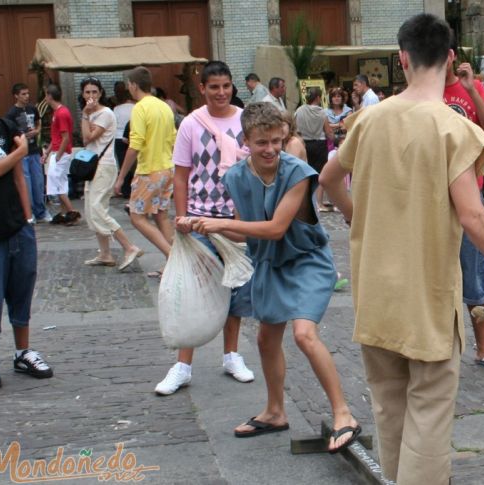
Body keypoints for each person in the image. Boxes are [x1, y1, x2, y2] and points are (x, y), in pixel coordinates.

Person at [319, 14, 484, 484]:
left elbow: (327, 180)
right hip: (426, 298)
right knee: (427, 417)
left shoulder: (369, 118)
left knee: (390, 409)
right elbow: (473, 216)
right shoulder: (452, 129)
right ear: (451, 60)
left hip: (375, 296)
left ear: (401, 59)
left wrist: (358, 217)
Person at [191, 102, 361, 453]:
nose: (270, 149)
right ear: (246, 141)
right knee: (266, 340)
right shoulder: (236, 176)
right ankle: (274, 411)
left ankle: (344, 414)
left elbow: (274, 228)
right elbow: (244, 231)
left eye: (276, 141)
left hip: (306, 261)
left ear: (285, 138)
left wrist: (219, 223)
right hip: (269, 263)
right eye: (261, 142)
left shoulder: (297, 172)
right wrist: (200, 227)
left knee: (303, 334)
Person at [154, 61, 254, 395]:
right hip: (198, 218)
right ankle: (183, 366)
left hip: (235, 219)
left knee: (236, 290)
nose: (221, 93)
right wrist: (181, 218)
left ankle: (231, 356)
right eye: (214, 87)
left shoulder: (245, 120)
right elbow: (181, 175)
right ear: (203, 88)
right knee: (193, 290)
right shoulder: (191, 125)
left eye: (226, 86)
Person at [0, 68, 53, 390]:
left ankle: (23, 350)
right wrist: (21, 152)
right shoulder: (16, 142)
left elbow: (16, 177)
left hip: (16, 228)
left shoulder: (4, 126)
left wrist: (28, 219)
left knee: (22, 289)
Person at [443, 38, 484, 372]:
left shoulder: (472, 89)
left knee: (476, 276)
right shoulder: (419, 94)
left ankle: (483, 347)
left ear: (453, 56)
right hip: (432, 201)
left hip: (470, 196)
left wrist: (470, 90)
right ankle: (441, 349)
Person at [114, 66, 176, 270]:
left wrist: (121, 176)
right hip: (167, 168)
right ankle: (175, 259)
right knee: (161, 215)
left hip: (149, 170)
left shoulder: (140, 108)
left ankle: (171, 256)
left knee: (137, 217)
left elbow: (135, 145)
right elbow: (174, 138)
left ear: (132, 85)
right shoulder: (164, 106)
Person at [79, 77, 143, 271]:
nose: (91, 96)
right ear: (83, 94)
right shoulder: (92, 114)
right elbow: (87, 140)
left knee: (97, 207)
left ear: (100, 93)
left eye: (94, 92)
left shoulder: (105, 113)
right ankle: (105, 253)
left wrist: (84, 115)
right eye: (87, 92)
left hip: (104, 165)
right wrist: (86, 116)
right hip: (92, 165)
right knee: (92, 209)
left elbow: (87, 137)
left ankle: (129, 246)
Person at [6, 83, 50, 222]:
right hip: (22, 153)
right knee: (26, 182)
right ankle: (29, 212)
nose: (27, 96)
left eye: (28, 93)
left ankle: (41, 211)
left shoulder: (32, 108)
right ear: (16, 96)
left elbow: (38, 122)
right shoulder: (11, 113)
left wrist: (37, 131)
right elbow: (10, 133)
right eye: (23, 94)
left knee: (38, 181)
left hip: (34, 150)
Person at [42, 84, 79, 225]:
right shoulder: (59, 112)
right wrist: (48, 152)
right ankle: (65, 213)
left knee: (55, 184)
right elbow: (57, 137)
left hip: (61, 153)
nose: (45, 98)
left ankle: (71, 212)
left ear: (50, 96)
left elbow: (65, 138)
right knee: (61, 184)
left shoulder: (61, 113)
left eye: (46, 95)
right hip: (59, 152)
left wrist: (57, 155)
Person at [295, 87, 334, 211]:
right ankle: (319, 203)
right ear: (318, 98)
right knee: (321, 174)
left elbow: (295, 129)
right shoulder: (322, 113)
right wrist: (335, 139)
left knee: (306, 173)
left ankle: (305, 201)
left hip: (304, 144)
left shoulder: (299, 110)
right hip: (319, 145)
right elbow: (328, 132)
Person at [112, 85, 135, 199]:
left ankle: (126, 190)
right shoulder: (136, 107)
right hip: (132, 137)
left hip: (118, 138)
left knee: (122, 164)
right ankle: (134, 188)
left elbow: (113, 123)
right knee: (134, 164)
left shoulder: (116, 108)